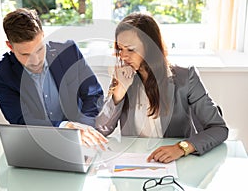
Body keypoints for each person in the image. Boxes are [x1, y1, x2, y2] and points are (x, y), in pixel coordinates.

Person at [95, 12, 229, 163]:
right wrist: (119, 92)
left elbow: (218, 129)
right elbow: (101, 130)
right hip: (135, 163)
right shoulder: (123, 77)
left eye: (131, 49)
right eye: (120, 49)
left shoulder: (186, 77)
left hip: (176, 164)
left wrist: (181, 147)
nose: (123, 56)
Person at [0, 8, 107, 147]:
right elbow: (20, 120)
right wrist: (64, 127)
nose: (36, 60)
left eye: (39, 49)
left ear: (43, 35)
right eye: (25, 55)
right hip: (38, 145)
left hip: (80, 144)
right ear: (10, 46)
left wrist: (83, 128)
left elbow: (93, 93)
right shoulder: (0, 74)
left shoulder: (68, 52)